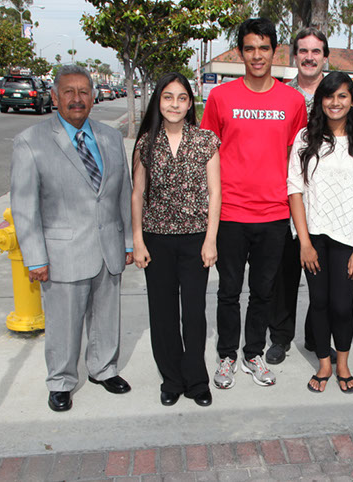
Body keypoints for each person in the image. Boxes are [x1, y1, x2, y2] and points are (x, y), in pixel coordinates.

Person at [10, 64, 133, 412]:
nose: (77, 99)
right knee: (64, 324)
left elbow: (122, 192)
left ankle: (103, 368)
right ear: (54, 97)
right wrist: (35, 257)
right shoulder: (30, 142)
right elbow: (24, 206)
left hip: (108, 246)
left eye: (83, 91)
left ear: (93, 96)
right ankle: (61, 381)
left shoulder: (110, 137)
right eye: (69, 92)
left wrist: (126, 242)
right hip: (61, 253)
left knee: (107, 316)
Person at [200, 18, 307, 388]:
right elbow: (208, 154)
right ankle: (227, 355)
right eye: (249, 48)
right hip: (230, 214)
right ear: (241, 52)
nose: (257, 55)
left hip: (274, 215)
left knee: (263, 292)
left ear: (274, 51)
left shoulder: (292, 101)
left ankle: (252, 353)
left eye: (264, 48)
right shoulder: (220, 97)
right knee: (229, 292)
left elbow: (299, 159)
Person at [288, 71, 353, 393]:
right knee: (319, 302)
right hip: (313, 235)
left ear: (352, 100)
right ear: (320, 100)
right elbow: (295, 190)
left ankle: (343, 362)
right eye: (329, 96)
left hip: (347, 238)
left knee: (342, 305)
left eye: (342, 96)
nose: (335, 102)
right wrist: (303, 242)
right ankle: (325, 364)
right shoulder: (305, 138)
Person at [131, 72, 221, 407]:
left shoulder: (205, 140)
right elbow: (138, 194)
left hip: (196, 240)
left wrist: (210, 239)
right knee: (163, 312)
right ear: (158, 101)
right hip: (156, 240)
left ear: (190, 102)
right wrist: (138, 241)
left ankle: (197, 380)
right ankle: (171, 379)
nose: (174, 104)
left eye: (182, 98)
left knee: (194, 313)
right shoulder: (146, 144)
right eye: (168, 97)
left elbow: (215, 193)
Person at [267, 27, 334, 366]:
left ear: (325, 56)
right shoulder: (279, 95)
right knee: (286, 273)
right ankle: (280, 337)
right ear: (294, 56)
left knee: (324, 276)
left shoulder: (337, 94)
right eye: (303, 51)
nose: (309, 57)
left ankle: (316, 336)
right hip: (286, 198)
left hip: (326, 202)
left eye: (316, 51)